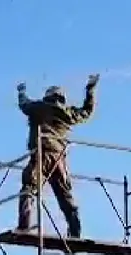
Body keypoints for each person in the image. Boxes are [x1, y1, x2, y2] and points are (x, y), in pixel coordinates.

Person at [15, 74, 99, 239]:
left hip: (42, 153)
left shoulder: (39, 107)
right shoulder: (68, 113)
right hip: (59, 159)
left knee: (29, 187)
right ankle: (75, 233)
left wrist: (21, 91)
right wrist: (90, 90)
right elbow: (87, 111)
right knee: (65, 196)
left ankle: (24, 225)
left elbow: (24, 104)